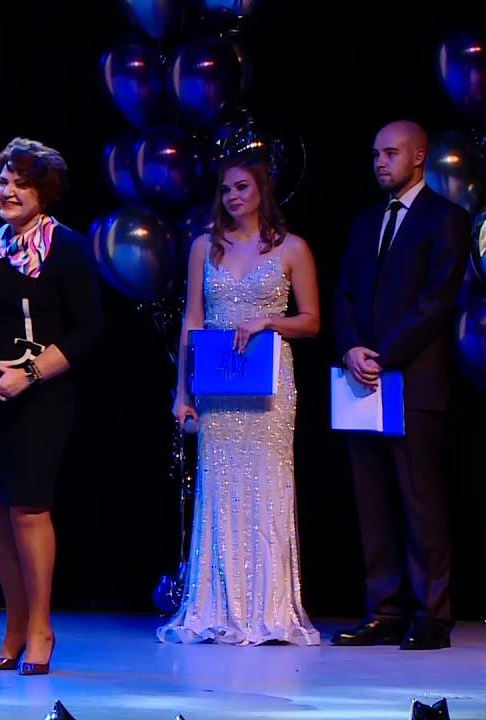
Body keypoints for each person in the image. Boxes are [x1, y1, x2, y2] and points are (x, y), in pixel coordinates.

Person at [0, 137, 103, 675]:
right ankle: (13, 629)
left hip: (43, 396)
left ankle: (41, 629)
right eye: (3, 181)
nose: (8, 191)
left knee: (28, 509)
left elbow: (89, 330)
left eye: (21, 184)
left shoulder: (68, 247)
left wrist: (28, 374)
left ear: (44, 193)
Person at [162, 154, 321, 646]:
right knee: (221, 487)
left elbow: (312, 321)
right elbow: (192, 320)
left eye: (242, 187)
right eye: (226, 189)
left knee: (267, 485)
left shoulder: (292, 248)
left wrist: (268, 321)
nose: (233, 196)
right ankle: (218, 606)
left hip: (269, 385)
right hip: (218, 384)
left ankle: (269, 609)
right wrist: (183, 391)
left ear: (261, 191)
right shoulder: (203, 247)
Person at [331, 120, 468, 651]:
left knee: (420, 499)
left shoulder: (445, 219)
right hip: (361, 380)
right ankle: (385, 608)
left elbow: (435, 301)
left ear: (418, 157)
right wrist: (351, 348)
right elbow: (344, 292)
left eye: (390, 153)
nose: (380, 163)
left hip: (412, 380)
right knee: (372, 500)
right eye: (375, 154)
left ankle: (432, 613)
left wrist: (383, 355)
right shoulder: (366, 221)